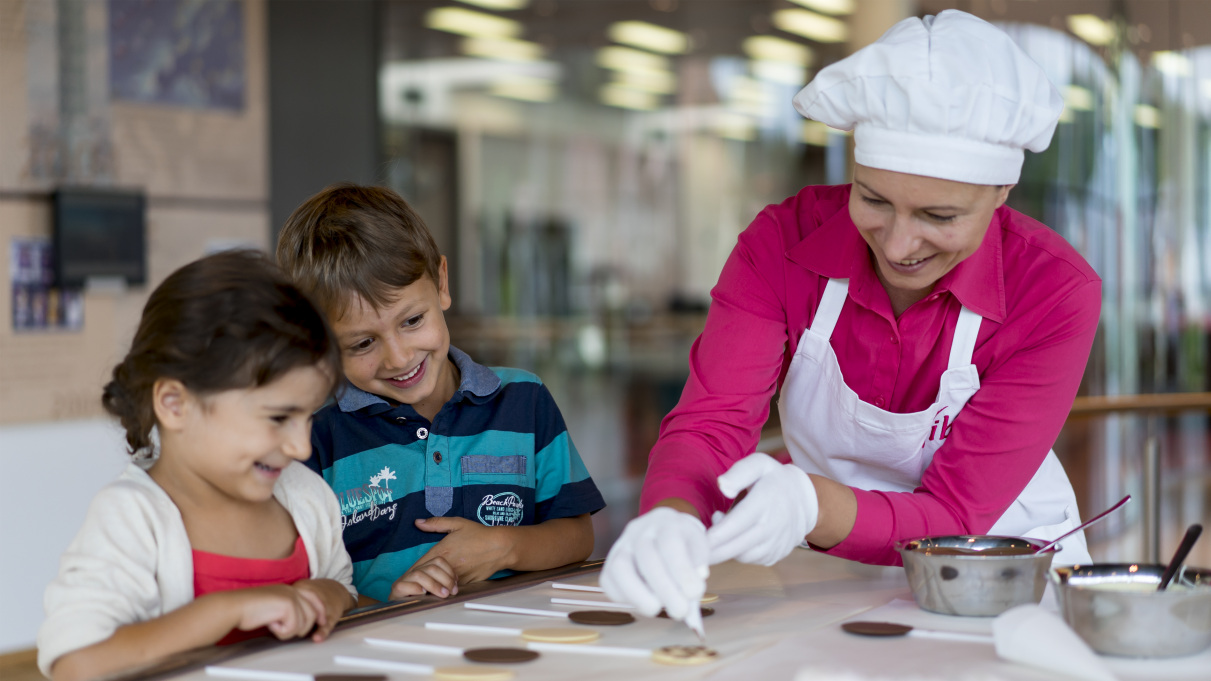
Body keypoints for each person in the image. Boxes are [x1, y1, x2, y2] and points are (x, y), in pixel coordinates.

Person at [602, 10, 1101, 628]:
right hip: (833, 573)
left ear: (1001, 195)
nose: (896, 246)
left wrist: (812, 504)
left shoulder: (1052, 291)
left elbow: (955, 510)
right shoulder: (782, 244)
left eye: (940, 217)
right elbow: (711, 425)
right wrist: (672, 514)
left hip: (1000, 570)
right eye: (872, 199)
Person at [276, 183, 606, 604]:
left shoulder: (525, 399)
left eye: (412, 320)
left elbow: (577, 535)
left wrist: (503, 547)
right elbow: (309, 589)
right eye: (362, 344)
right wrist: (387, 608)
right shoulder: (314, 437)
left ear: (442, 283)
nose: (398, 358)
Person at [37, 251, 356, 681]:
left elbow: (346, 590)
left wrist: (328, 596)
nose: (301, 446)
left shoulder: (306, 497)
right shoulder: (131, 518)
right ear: (175, 405)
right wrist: (224, 611)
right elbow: (74, 664)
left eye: (309, 417)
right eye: (279, 418)